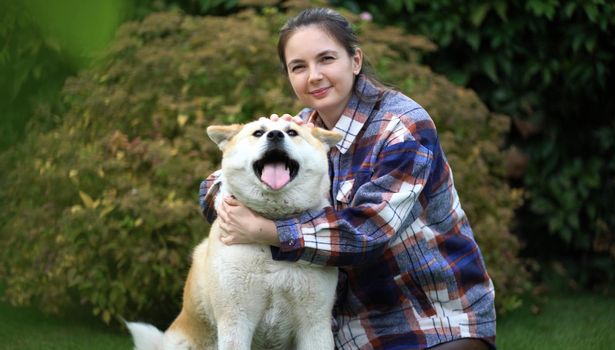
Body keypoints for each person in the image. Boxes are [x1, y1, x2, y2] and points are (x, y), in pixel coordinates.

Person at [199, 7, 496, 350]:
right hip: (345, 326)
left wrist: (265, 231)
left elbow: (368, 233)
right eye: (299, 67)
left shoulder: (402, 127)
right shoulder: (299, 130)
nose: (314, 76)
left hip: (430, 320)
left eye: (326, 59)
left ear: (355, 61)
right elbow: (215, 184)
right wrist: (245, 171)